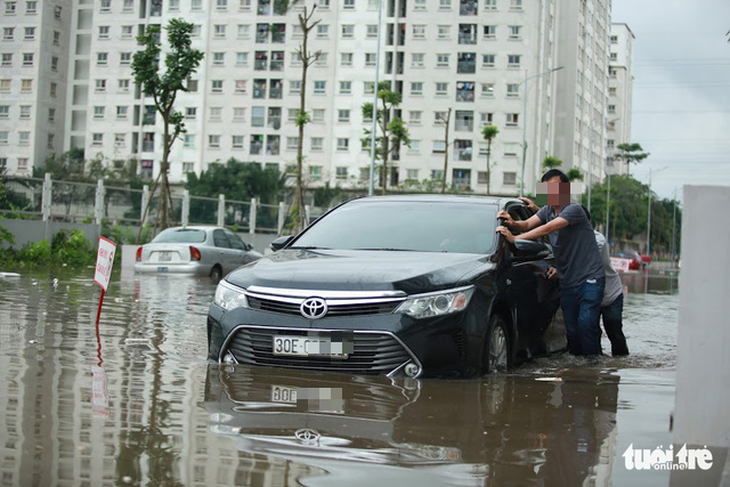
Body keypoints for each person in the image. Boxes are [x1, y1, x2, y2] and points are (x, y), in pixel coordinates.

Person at [496, 169, 605, 358]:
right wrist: (512, 222)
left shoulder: (574, 209)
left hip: (590, 278)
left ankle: (594, 366)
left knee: (586, 322)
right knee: (572, 330)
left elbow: (548, 228)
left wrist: (515, 239)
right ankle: (579, 367)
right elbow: (528, 224)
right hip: (568, 281)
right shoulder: (547, 210)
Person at [520, 198, 630, 357]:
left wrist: (558, 270)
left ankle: (619, 364)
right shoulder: (567, 234)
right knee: (588, 330)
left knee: (614, 332)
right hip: (584, 293)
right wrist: (539, 210)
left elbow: (578, 258)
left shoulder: (596, 240)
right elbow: (553, 226)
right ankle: (594, 364)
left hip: (608, 296)